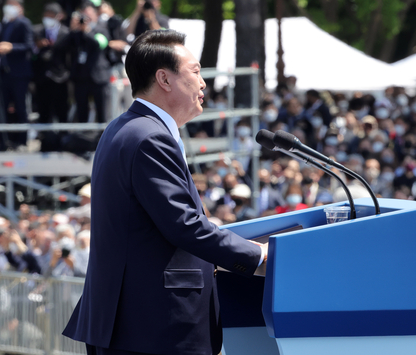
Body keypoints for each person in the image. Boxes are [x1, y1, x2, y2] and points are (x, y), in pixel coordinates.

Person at [62, 29, 267, 355]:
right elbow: (183, 225)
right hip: (153, 327)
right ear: (164, 79)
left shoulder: (124, 128)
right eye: (196, 72)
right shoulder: (149, 138)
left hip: (134, 324)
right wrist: (258, 256)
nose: (203, 84)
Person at [0, 0, 33, 149]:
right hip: (5, 73)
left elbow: (29, 45)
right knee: (2, 108)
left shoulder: (24, 23)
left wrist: (11, 47)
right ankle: (4, 141)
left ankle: (22, 141)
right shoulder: (5, 24)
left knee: (20, 107)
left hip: (19, 73)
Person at [32, 3, 70, 125]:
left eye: (51, 15)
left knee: (61, 110)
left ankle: (63, 140)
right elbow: (30, 52)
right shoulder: (37, 31)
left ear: (59, 16)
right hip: (42, 77)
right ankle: (45, 141)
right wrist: (37, 46)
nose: (48, 18)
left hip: (60, 78)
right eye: (46, 15)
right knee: (43, 111)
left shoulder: (66, 33)